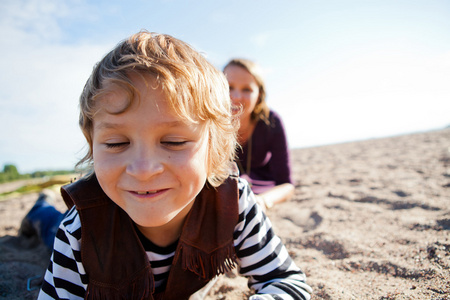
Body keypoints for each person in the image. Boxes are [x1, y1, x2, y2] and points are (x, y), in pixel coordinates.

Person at [37, 31, 312, 299]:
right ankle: (39, 210)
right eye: (116, 143)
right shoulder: (79, 231)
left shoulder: (234, 203)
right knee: (50, 227)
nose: (143, 170)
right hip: (76, 237)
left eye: (174, 141)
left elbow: (285, 281)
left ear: (215, 149)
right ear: (92, 145)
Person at [224, 59, 295, 211]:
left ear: (260, 95)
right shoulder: (207, 123)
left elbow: (287, 185)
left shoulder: (272, 122)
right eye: (229, 87)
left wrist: (262, 201)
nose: (236, 96)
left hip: (264, 187)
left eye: (247, 89)